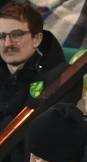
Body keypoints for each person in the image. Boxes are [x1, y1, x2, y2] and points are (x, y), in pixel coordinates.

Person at [0, 1, 81, 129]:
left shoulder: (62, 78)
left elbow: (42, 134)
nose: (7, 43)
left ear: (36, 39)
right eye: (2, 36)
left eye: (16, 35)